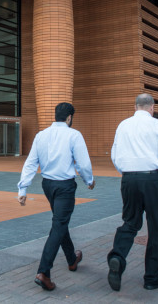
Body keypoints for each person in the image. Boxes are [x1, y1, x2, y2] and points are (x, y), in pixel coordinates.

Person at [17, 102, 95, 291]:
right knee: (59, 225)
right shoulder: (73, 135)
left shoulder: (41, 135)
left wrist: (23, 188)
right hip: (65, 186)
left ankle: (71, 259)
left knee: (60, 222)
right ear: (69, 118)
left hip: (48, 185)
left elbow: (30, 163)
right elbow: (83, 163)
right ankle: (44, 271)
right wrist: (89, 180)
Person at [107, 93, 158, 292]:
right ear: (152, 108)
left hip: (129, 179)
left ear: (135, 106)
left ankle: (117, 257)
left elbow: (115, 155)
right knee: (156, 227)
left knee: (130, 222)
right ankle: (152, 278)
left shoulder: (123, 125)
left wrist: (127, 173)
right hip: (153, 180)